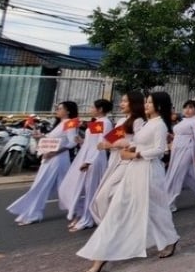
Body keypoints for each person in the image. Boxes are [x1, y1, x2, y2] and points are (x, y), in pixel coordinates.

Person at [77, 92, 179, 272]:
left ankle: (170, 238)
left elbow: (160, 150)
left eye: (150, 102)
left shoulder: (160, 125)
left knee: (156, 210)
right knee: (119, 208)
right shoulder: (148, 123)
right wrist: (130, 148)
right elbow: (138, 143)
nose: (146, 105)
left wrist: (135, 154)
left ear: (160, 106)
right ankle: (100, 257)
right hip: (134, 169)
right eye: (146, 102)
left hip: (149, 171)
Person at [7, 101, 79, 226]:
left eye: (60, 108)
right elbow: (53, 140)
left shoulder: (70, 123)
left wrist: (55, 153)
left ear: (68, 111)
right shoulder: (59, 124)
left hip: (58, 159)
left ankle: (33, 214)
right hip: (50, 157)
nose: (57, 110)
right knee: (63, 187)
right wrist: (40, 137)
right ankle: (78, 210)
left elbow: (72, 142)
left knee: (42, 185)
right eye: (57, 108)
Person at [58, 99, 114, 232]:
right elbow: (91, 141)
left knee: (91, 189)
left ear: (100, 109)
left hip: (95, 159)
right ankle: (84, 215)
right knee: (73, 187)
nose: (90, 109)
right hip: (87, 156)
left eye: (92, 107)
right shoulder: (97, 122)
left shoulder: (105, 123)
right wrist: (81, 141)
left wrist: (89, 161)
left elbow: (101, 143)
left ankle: (87, 219)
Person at [90, 92, 146, 223]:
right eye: (122, 101)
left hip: (126, 162)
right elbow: (112, 140)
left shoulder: (138, 121)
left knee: (105, 196)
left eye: (125, 101)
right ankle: (114, 224)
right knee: (108, 196)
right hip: (114, 161)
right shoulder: (122, 120)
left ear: (134, 103)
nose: (121, 104)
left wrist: (123, 144)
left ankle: (110, 226)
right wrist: (105, 144)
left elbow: (139, 143)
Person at [165, 100, 195, 212]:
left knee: (176, 174)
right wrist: (171, 137)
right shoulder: (183, 121)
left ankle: (170, 202)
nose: (187, 110)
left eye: (191, 107)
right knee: (187, 175)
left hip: (187, 150)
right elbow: (178, 135)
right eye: (185, 107)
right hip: (176, 150)